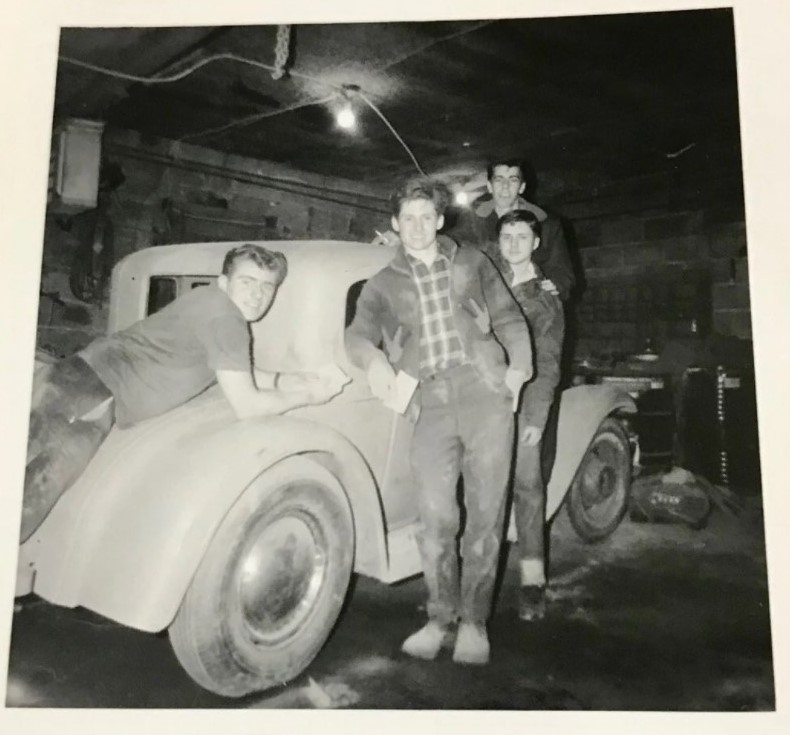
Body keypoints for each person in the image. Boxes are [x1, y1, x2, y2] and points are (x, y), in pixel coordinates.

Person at [21, 243, 346, 542]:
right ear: (224, 281)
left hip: (73, 380)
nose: (257, 295)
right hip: (86, 398)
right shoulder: (226, 319)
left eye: (266, 286)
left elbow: (235, 371)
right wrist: (311, 397)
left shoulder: (211, 301)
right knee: (27, 501)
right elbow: (247, 405)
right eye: (247, 282)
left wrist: (295, 380)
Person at [346, 177, 533, 665]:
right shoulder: (382, 284)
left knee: (487, 512)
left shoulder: (473, 262)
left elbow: (512, 319)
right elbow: (358, 336)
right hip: (427, 401)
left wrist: (518, 371)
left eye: (426, 217)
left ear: (441, 220)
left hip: (483, 394)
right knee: (435, 517)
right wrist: (375, 363)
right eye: (407, 218)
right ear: (394, 224)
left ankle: (474, 622)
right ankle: (438, 618)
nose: (417, 227)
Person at [494, 210, 565, 621]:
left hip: (522, 405)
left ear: (536, 243)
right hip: (481, 403)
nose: (515, 243)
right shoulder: (485, 281)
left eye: (523, 236)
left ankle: (533, 580)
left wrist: (536, 417)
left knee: (527, 485)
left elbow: (550, 363)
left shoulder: (546, 298)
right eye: (508, 235)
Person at [447, 159, 576, 301]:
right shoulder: (472, 220)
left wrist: (557, 284)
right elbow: (450, 246)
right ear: (490, 186)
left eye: (513, 180)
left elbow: (562, 270)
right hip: (488, 300)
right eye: (499, 180)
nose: (505, 187)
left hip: (530, 302)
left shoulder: (546, 224)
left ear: (521, 187)